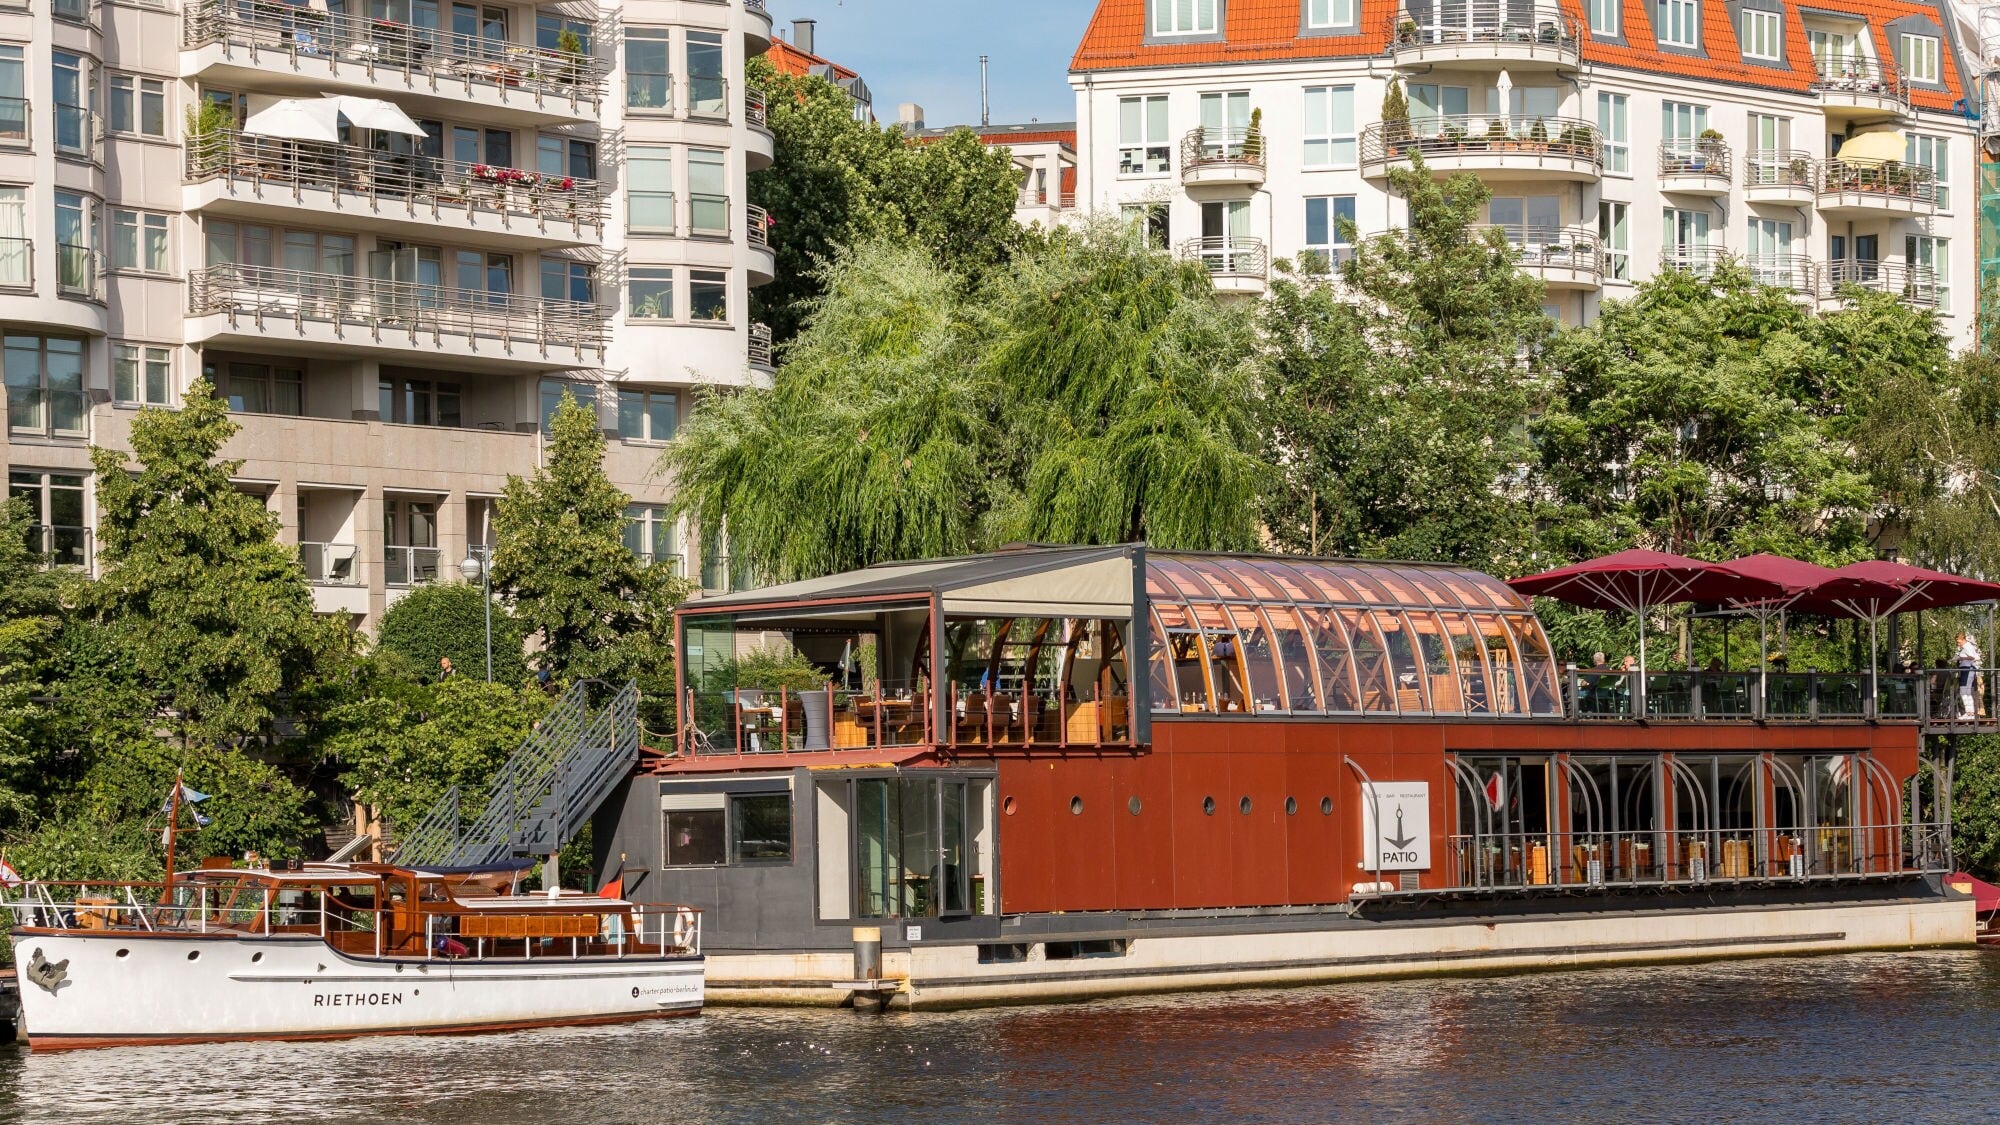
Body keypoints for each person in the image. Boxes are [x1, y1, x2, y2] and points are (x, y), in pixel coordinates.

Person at [1957, 633, 1982, 718]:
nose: (1958, 643)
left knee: (1964, 691)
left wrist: (1961, 658)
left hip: (1967, 669)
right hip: (1967, 669)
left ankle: (1969, 713)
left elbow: (1973, 657)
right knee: (1966, 691)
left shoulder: (1967, 646)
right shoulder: (1967, 646)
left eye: (1959, 641)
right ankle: (1970, 713)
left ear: (1963, 639)